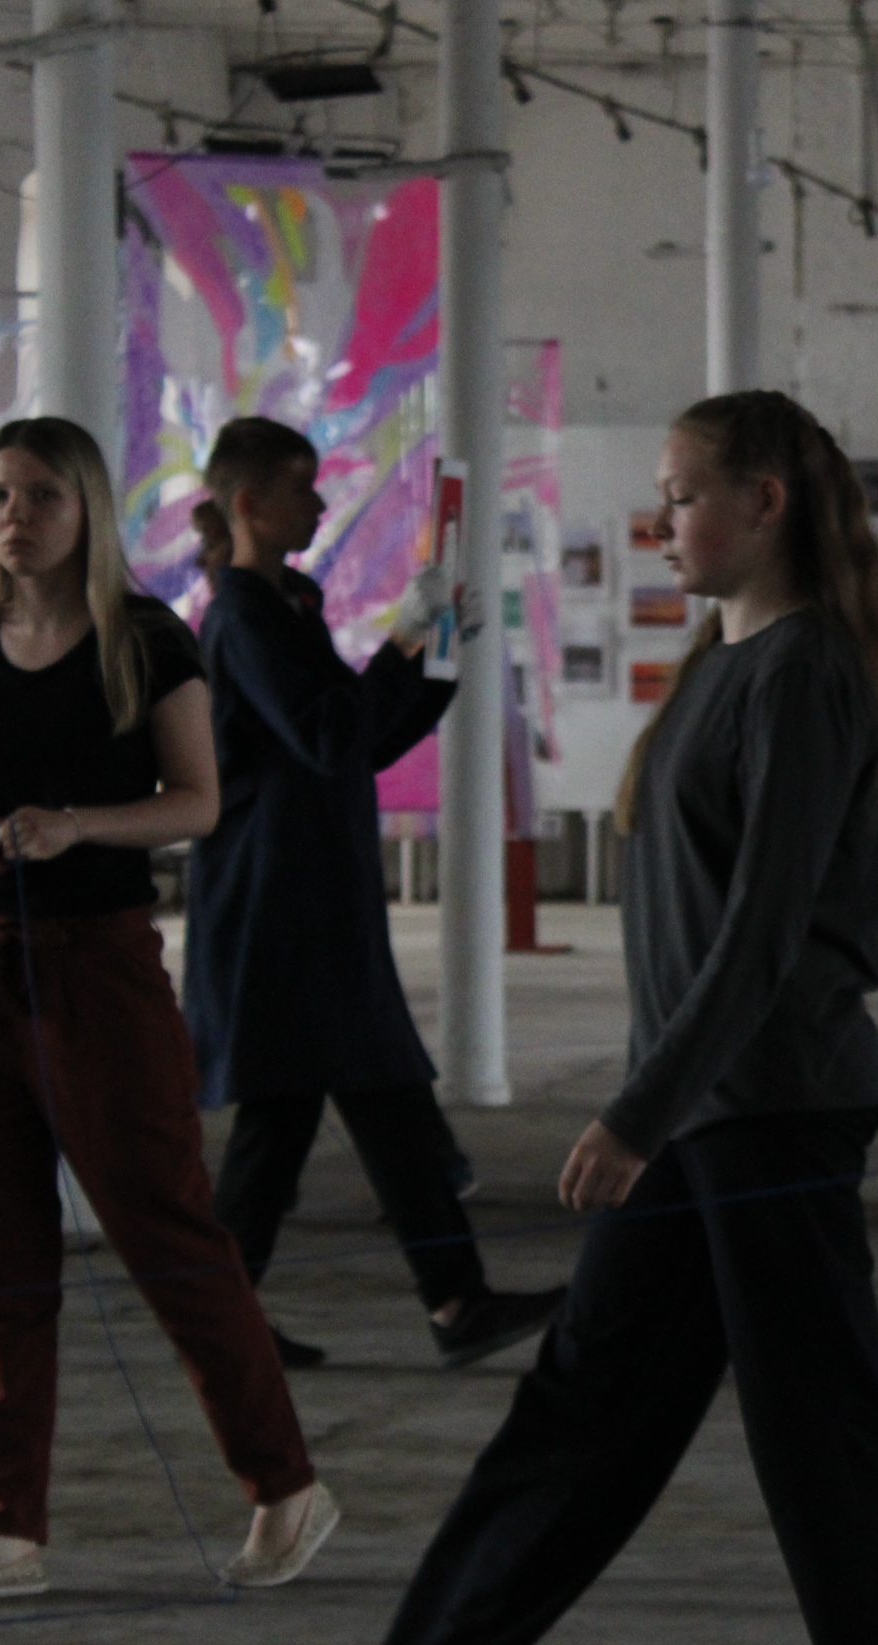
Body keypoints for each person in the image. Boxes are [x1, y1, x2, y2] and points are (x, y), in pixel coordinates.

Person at [239, 389, 878, 1645]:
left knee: (824, 1434)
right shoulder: (725, 664)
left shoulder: (806, 673)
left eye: (681, 493)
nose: (660, 519)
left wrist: (635, 1112)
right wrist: (660, 1109)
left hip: (769, 1116)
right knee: (585, 1406)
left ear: (766, 503)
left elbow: (763, 933)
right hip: (701, 1120)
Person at [0, 415, 335, 1608]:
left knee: (170, 1238)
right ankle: (7, 1528)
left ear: (87, 507)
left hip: (96, 969)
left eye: (41, 495)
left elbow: (196, 801)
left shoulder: (147, 641)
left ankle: (285, 1484)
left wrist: (79, 825)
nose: (15, 517)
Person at [183, 415, 563, 1375]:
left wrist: (434, 650)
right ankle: (237, 1323)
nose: (319, 504)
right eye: (302, 488)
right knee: (298, 1117)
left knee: (373, 1100)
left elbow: (364, 740)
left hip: (314, 897)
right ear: (249, 502)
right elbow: (327, 733)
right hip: (278, 908)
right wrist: (403, 640)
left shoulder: (285, 609)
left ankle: (452, 1299)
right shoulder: (244, 618)